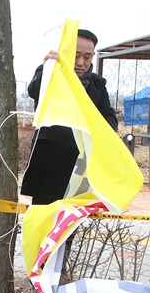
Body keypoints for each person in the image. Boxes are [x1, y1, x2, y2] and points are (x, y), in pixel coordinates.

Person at [21, 29, 118, 205]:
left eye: (87, 57)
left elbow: (108, 115)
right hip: (49, 163)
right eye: (76, 55)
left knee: (72, 220)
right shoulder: (49, 74)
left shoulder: (97, 84)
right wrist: (47, 67)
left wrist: (103, 134)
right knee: (43, 220)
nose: (81, 63)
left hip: (80, 165)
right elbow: (34, 91)